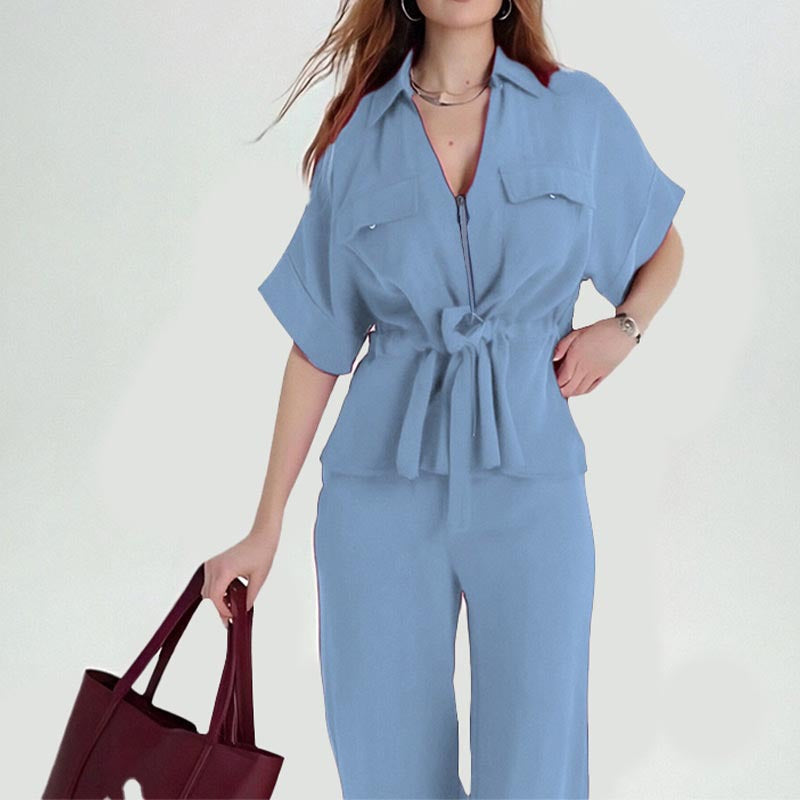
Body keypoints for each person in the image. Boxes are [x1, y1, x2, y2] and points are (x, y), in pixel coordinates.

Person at [202, 0, 686, 797]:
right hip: (380, 494)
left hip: (532, 486)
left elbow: (661, 245)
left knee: (537, 773)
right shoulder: (358, 137)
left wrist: (623, 329)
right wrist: (265, 525)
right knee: (387, 773)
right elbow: (319, 343)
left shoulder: (576, 111)